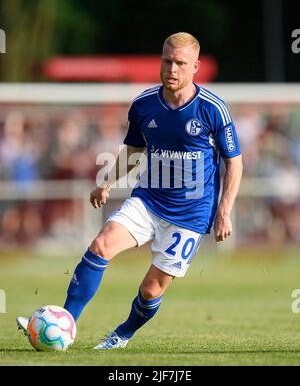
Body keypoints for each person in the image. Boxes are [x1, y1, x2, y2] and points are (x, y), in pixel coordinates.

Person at [17, 32, 243, 350]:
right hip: (148, 200)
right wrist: (107, 181)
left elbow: (234, 163)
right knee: (101, 245)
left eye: (180, 63)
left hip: (191, 214)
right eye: (167, 61)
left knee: (151, 290)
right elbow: (133, 151)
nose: (172, 69)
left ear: (195, 66)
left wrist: (223, 211)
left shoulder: (212, 109)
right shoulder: (144, 104)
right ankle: (64, 323)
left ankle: (121, 334)